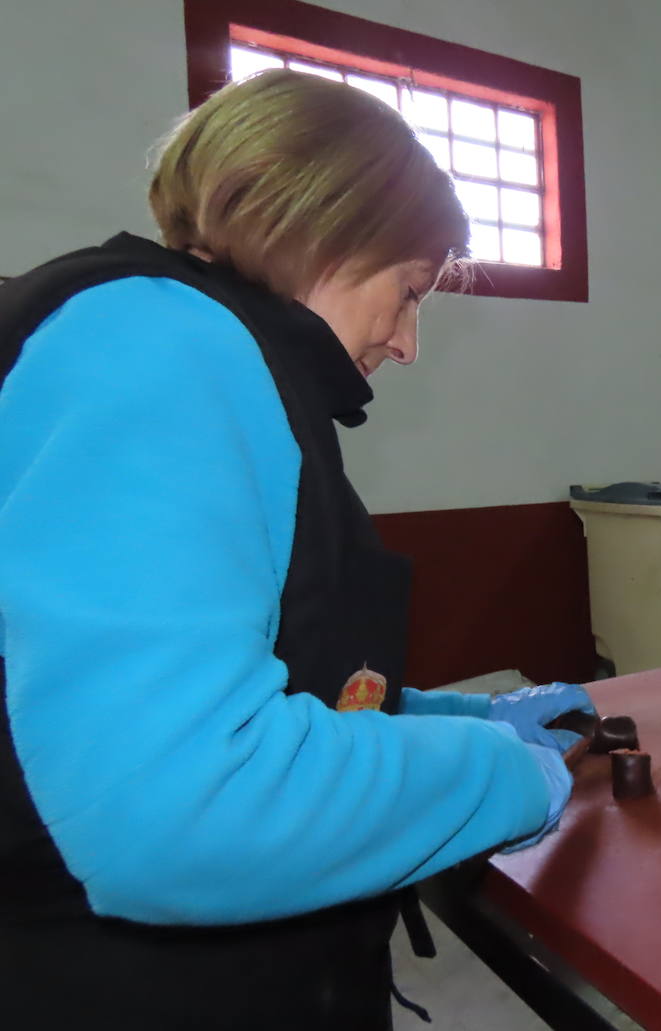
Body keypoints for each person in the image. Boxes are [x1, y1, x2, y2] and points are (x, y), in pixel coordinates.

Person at [0, 70, 595, 1029]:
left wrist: (464, 718)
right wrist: (506, 776)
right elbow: (183, 805)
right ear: (335, 231)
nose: (407, 344)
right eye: (409, 290)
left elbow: (254, 678)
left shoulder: (202, 356)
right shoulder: (164, 350)